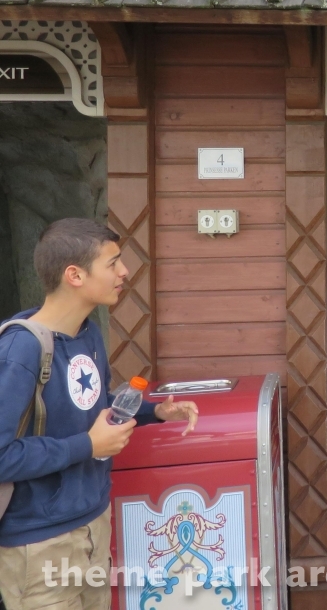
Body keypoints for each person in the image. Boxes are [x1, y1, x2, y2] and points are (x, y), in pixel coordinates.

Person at [0, 218, 199, 610]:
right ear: (74, 275)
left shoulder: (88, 334)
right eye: (112, 263)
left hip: (92, 522)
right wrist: (88, 446)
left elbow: (94, 408)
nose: (124, 272)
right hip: (38, 545)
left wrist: (156, 412)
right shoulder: (19, 350)